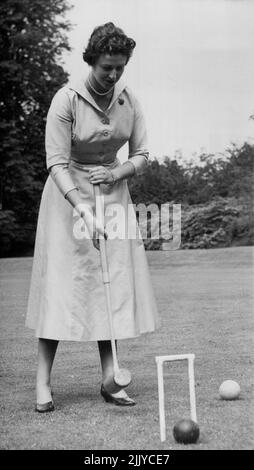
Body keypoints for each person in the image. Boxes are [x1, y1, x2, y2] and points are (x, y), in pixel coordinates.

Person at [26, 22, 159, 412]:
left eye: (120, 67)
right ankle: (43, 384)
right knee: (61, 287)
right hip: (67, 196)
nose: (114, 75)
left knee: (109, 286)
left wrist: (116, 174)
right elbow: (54, 161)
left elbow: (142, 153)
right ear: (92, 61)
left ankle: (111, 379)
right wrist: (83, 207)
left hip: (112, 196)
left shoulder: (129, 100)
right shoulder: (66, 99)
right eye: (107, 67)